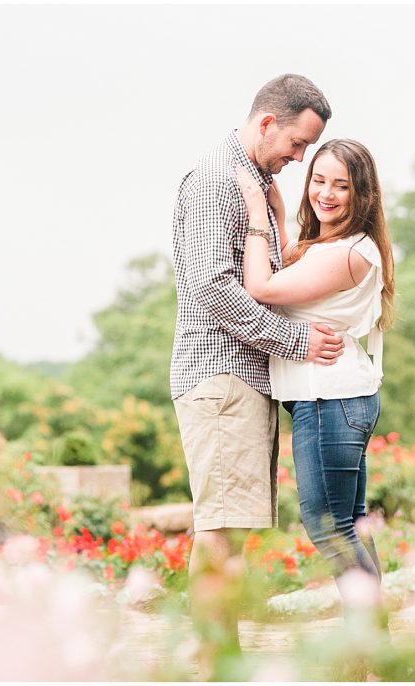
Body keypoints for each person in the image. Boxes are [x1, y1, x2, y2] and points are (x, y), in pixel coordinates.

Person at [170, 74, 343, 669]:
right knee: (220, 530)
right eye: (296, 145)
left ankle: (217, 658)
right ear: (267, 122)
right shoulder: (217, 182)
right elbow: (215, 290)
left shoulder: (252, 184)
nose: (299, 159)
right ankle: (216, 664)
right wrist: (297, 341)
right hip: (222, 378)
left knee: (230, 529)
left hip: (243, 380)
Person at [235, 138, 396, 605]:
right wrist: (282, 216)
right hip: (337, 398)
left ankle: (371, 648)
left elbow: (261, 286)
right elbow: (291, 267)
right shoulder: (339, 246)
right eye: (319, 180)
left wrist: (253, 217)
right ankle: (366, 656)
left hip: (330, 399)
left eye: (341, 186)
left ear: (362, 194)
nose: (325, 193)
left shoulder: (348, 253)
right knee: (349, 524)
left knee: (330, 528)